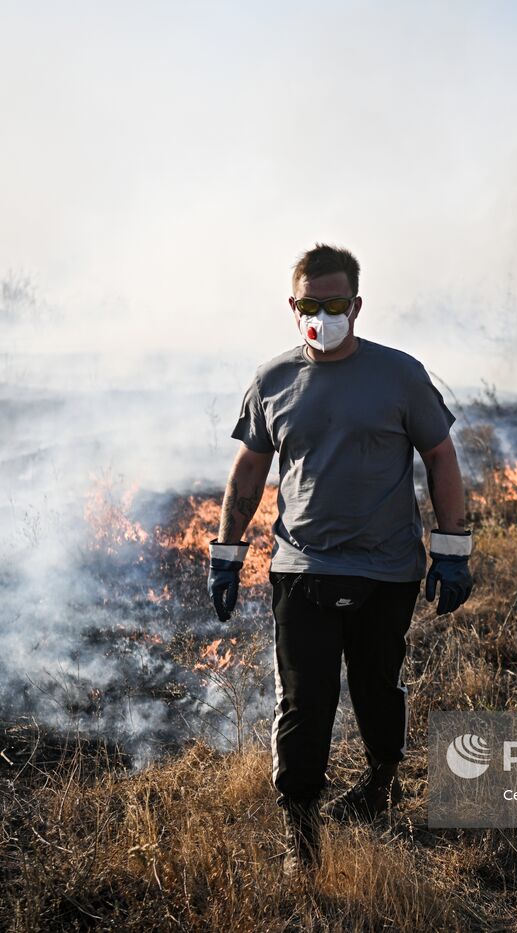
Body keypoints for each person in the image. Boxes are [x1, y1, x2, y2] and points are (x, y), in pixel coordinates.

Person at [206, 243, 474, 877]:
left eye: (333, 304)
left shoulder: (401, 376)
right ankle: (302, 836)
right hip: (302, 570)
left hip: (389, 572)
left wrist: (452, 548)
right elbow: (249, 469)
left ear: (356, 306)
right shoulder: (272, 380)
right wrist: (226, 551)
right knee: (304, 701)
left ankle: (381, 779)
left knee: (377, 688)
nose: (320, 316)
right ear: (292, 306)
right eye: (308, 305)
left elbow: (440, 458)